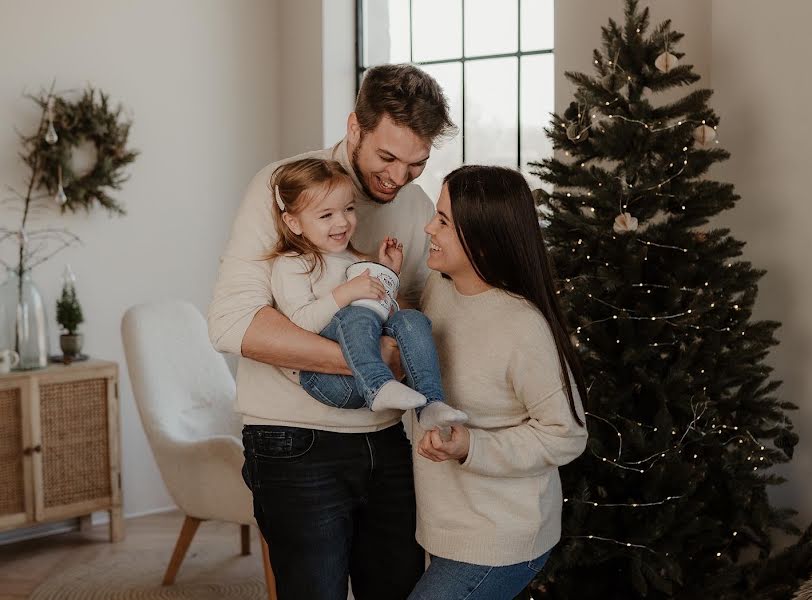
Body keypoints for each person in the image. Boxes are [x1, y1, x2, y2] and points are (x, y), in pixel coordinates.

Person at [207, 64, 455, 600]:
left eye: (416, 163)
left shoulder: (416, 207)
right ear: (354, 128)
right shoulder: (285, 186)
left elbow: (410, 312)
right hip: (294, 441)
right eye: (386, 157)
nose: (397, 177)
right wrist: (374, 364)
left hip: (390, 441)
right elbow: (233, 323)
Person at [407, 165, 589, 600]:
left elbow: (567, 435)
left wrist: (473, 446)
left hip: (501, 537)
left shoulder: (522, 328)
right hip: (446, 525)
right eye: (436, 213)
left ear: (483, 239)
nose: (429, 227)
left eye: (444, 221)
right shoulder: (438, 288)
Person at [267, 157, 468, 430]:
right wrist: (348, 292)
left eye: (348, 209)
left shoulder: (352, 258)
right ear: (294, 223)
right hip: (327, 379)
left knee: (411, 318)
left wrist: (388, 274)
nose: (342, 222)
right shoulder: (292, 264)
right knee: (357, 314)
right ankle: (379, 385)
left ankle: (430, 404)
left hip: (364, 369)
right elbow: (302, 323)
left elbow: (380, 312)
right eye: (326, 215)